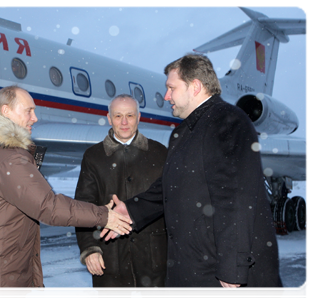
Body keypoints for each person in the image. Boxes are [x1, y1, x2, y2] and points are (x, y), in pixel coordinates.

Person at [102, 54, 284, 298]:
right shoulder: (185, 132)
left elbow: (237, 197)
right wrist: (132, 211)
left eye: (171, 88)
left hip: (221, 279)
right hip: (195, 270)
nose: (166, 96)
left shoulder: (227, 121)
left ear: (195, 86)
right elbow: (170, 186)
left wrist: (234, 265)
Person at [0, 85, 132, 298]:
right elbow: (49, 207)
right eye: (28, 111)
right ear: (6, 112)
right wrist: (104, 216)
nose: (35, 118)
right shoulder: (7, 158)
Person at [75, 94, 168, 298]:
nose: (124, 122)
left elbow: (170, 201)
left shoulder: (160, 153)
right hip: (111, 259)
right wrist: (90, 248)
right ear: (109, 118)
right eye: (118, 116)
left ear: (139, 117)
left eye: (129, 116)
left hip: (155, 259)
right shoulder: (93, 157)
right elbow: (84, 206)